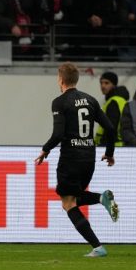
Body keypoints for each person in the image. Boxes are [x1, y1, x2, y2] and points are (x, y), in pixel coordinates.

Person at [35, 62, 119, 257]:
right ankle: (100, 208)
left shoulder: (59, 102)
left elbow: (58, 134)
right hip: (89, 158)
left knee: (68, 201)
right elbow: (111, 128)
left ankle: (98, 244)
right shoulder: (90, 100)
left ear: (61, 80)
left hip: (71, 158)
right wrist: (110, 152)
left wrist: (45, 150)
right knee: (73, 198)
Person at [94, 71, 128, 147]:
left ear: (114, 85)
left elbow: (110, 128)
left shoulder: (113, 102)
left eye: (106, 83)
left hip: (111, 146)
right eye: (101, 83)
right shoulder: (119, 100)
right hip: (117, 145)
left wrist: (103, 144)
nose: (103, 86)